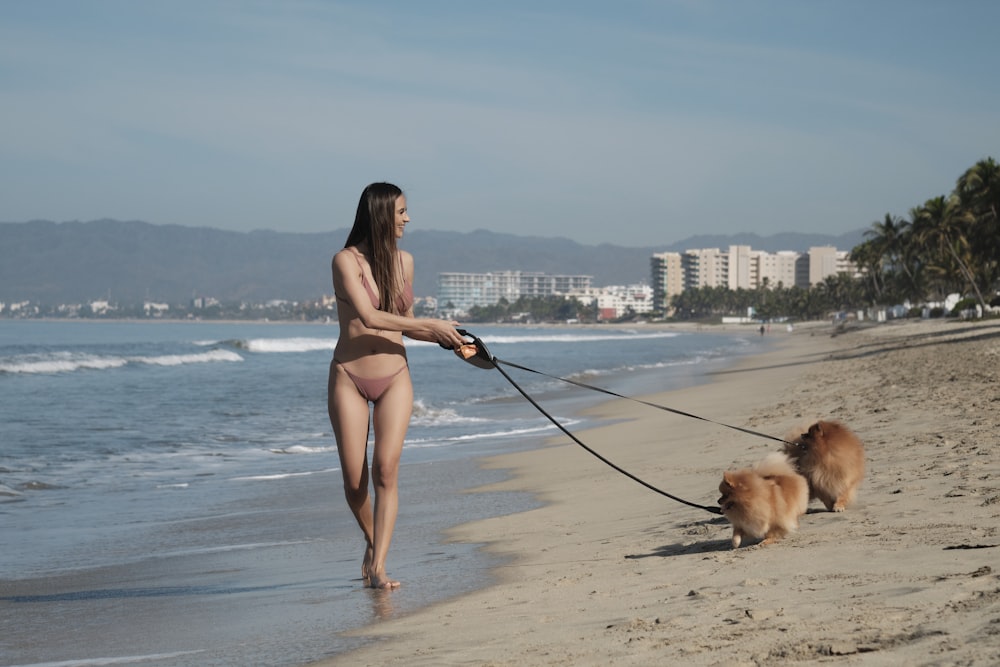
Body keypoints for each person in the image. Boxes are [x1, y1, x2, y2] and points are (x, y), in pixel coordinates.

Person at [328, 182, 467, 589]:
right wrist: (430, 324)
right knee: (356, 485)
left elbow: (406, 326)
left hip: (395, 377)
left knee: (385, 470)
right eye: (401, 211)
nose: (407, 219)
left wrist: (451, 339)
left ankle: (380, 568)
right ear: (380, 214)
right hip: (349, 376)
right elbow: (371, 317)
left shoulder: (405, 262)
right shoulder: (344, 261)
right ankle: (373, 541)